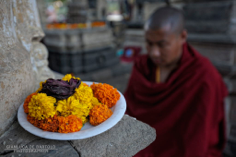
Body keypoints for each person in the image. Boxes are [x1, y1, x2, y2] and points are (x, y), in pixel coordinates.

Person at [124, 6, 228, 157]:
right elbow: (128, 114)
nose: (154, 52)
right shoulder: (142, 67)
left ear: (183, 37)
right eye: (149, 43)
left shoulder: (204, 75)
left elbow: (200, 136)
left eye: (162, 44)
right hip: (142, 148)